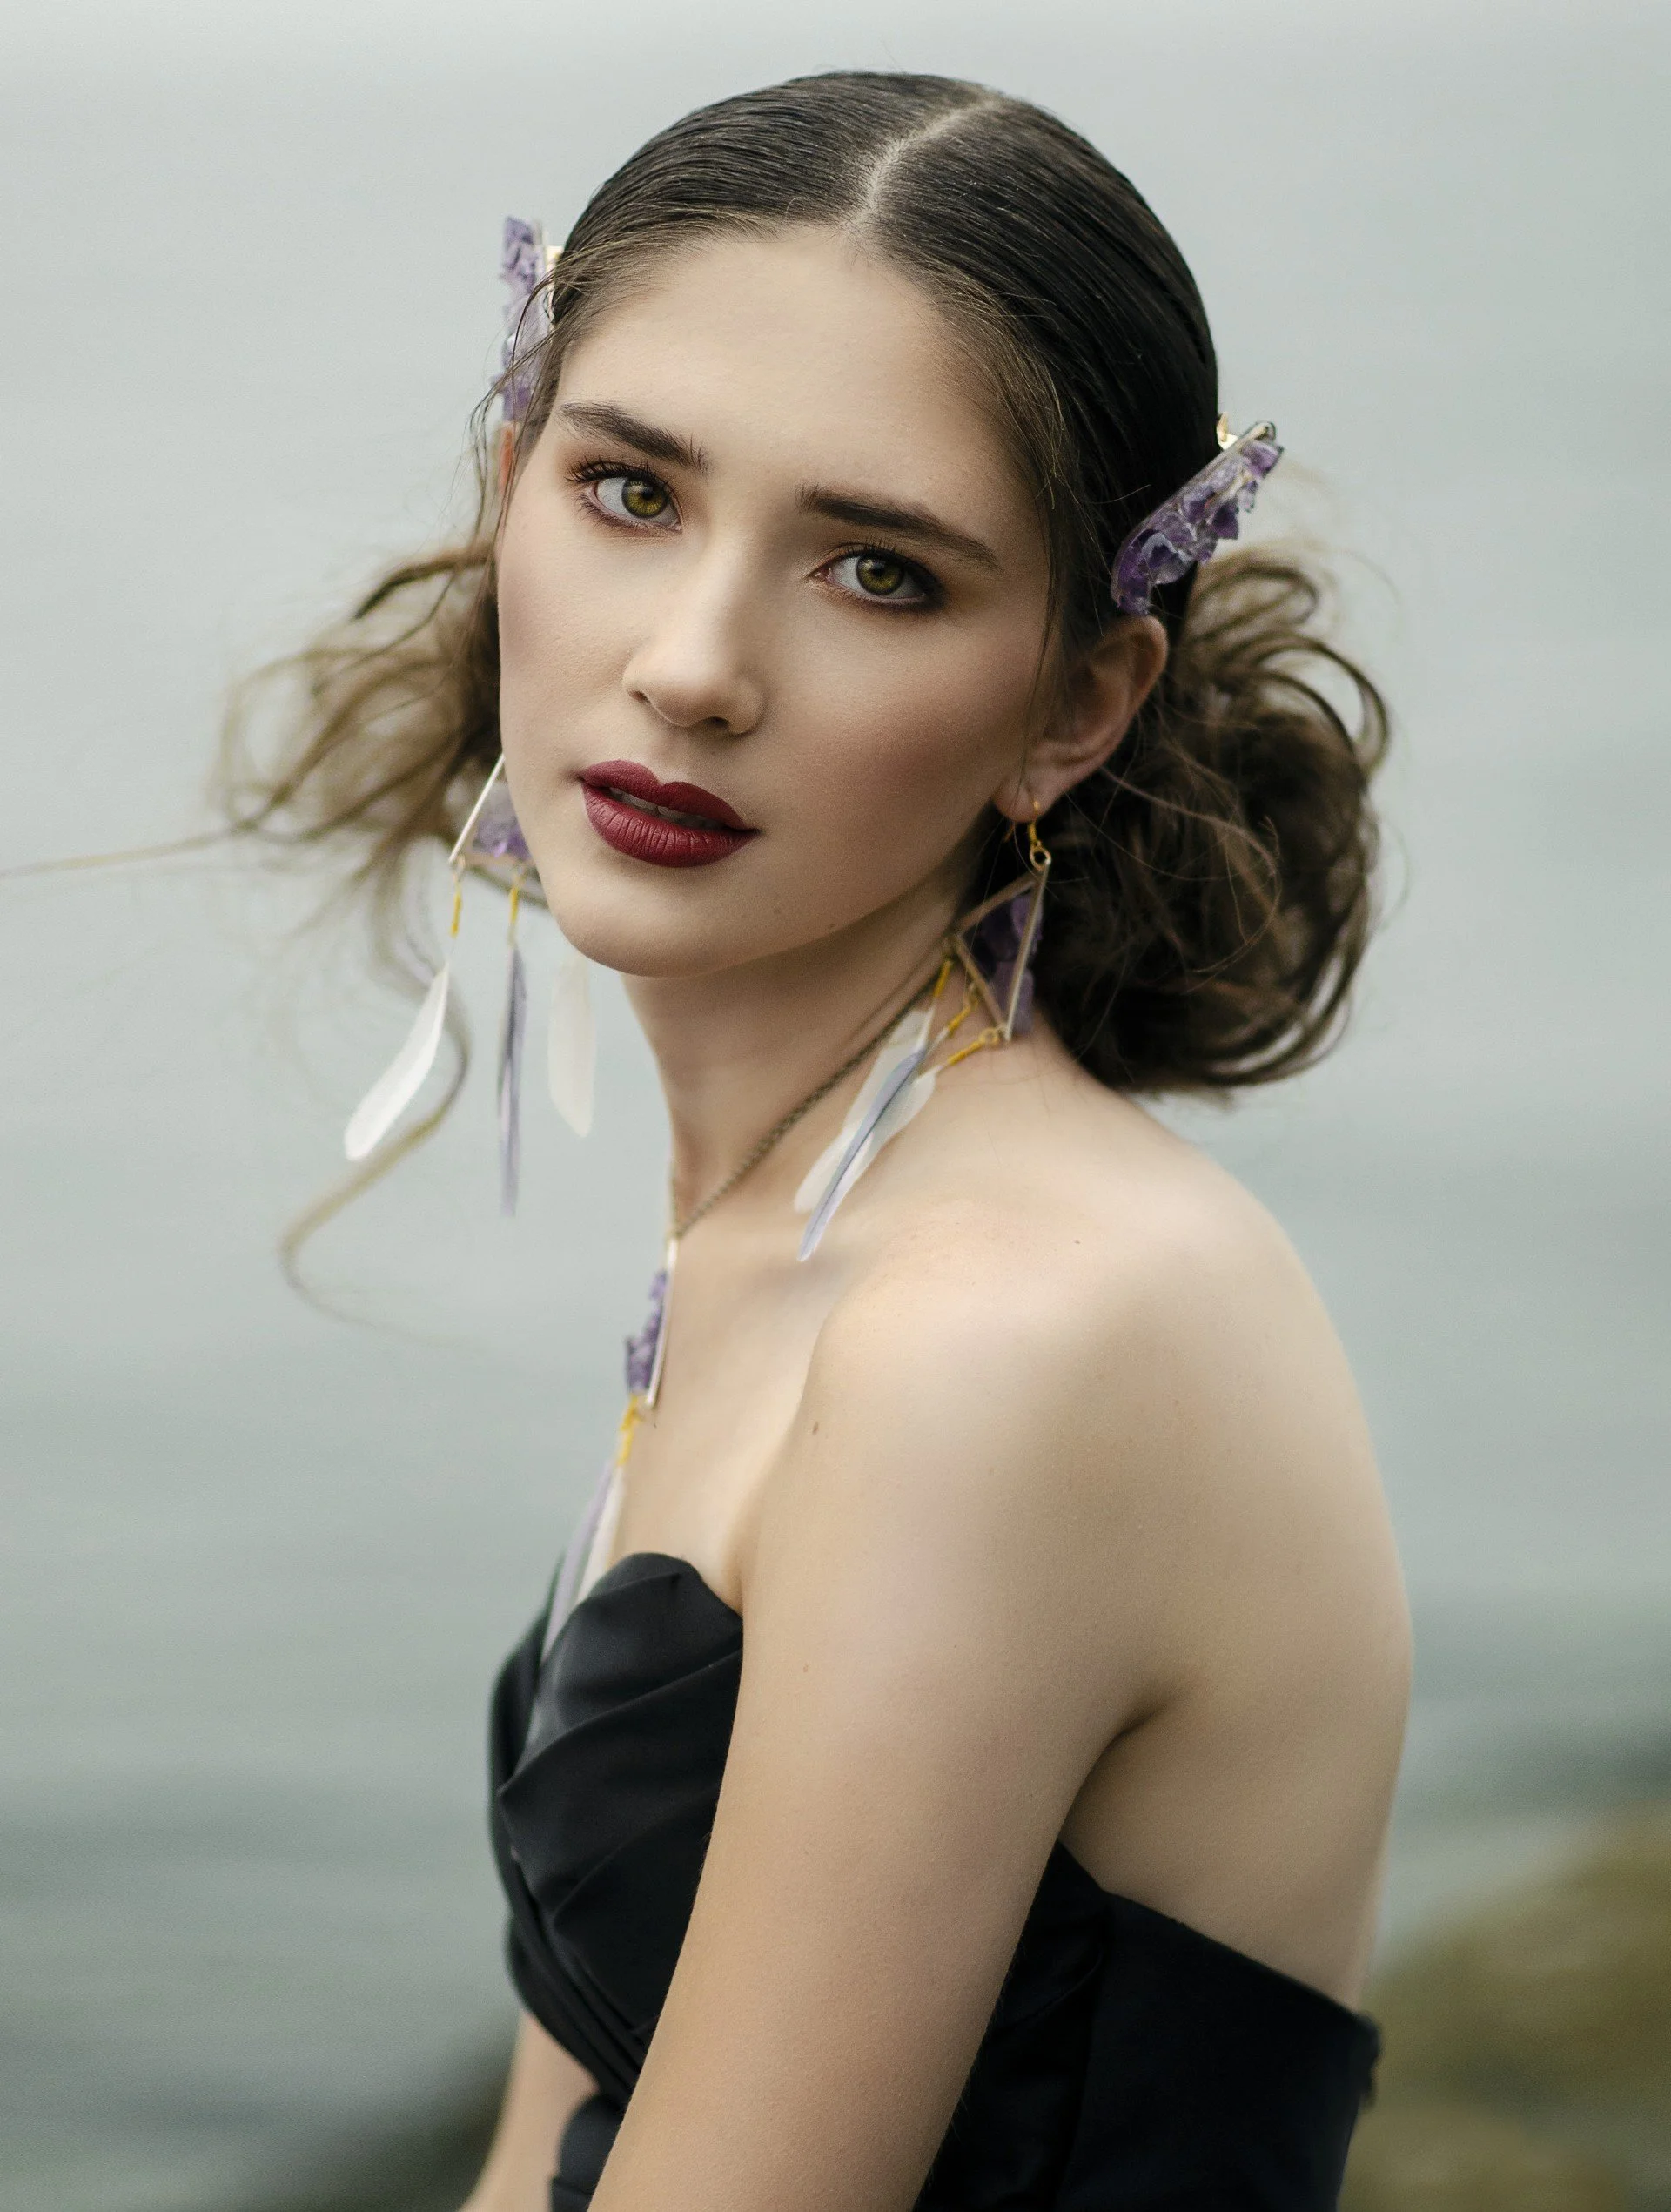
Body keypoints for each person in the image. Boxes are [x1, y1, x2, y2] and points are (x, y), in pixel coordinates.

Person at [231, 70, 1409, 2212]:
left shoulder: (1007, 1334)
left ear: (1077, 704)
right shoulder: (804, 1213)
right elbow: (563, 2130)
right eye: (630, 490)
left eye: (881, 571)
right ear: (510, 489)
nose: (691, 668)